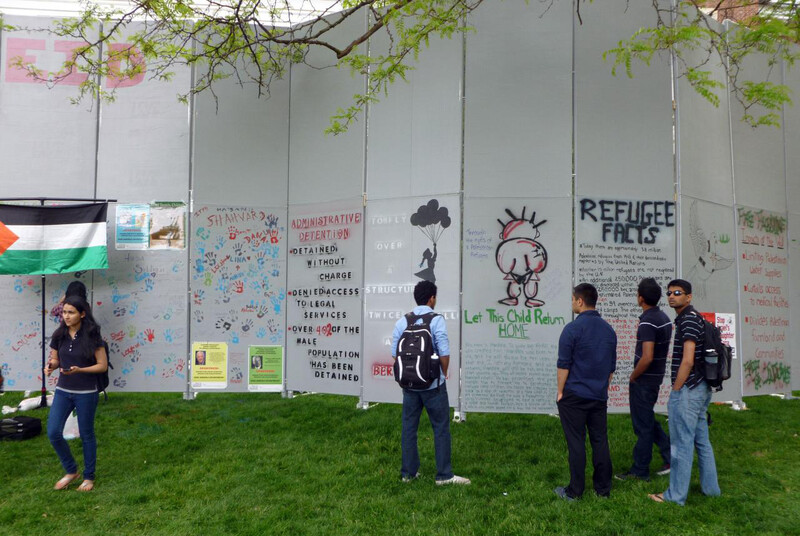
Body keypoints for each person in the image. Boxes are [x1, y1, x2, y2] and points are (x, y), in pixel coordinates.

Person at [650, 279, 720, 505]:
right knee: (702, 442)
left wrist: (676, 389)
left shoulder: (688, 320)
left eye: (677, 293)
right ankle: (711, 490)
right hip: (701, 387)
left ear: (688, 297)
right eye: (669, 293)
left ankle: (675, 496)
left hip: (689, 389)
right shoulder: (694, 317)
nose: (672, 296)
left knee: (681, 444)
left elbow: (687, 360)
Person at [392, 280, 469, 485]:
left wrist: (410, 374)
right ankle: (444, 475)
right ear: (431, 298)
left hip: (409, 386)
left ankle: (408, 473)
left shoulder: (403, 321)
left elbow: (394, 354)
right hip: (432, 385)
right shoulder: (436, 320)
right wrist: (441, 373)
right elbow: (444, 351)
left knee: (409, 427)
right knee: (440, 427)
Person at [555, 283, 617, 501]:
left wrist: (560, 392)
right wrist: (602, 388)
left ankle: (575, 491)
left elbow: (564, 365)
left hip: (574, 395)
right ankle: (603, 489)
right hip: (598, 394)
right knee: (600, 440)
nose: (572, 303)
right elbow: (611, 368)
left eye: (573, 299)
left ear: (580, 301)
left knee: (576, 442)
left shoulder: (572, 329)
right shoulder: (609, 330)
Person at [44, 296, 108, 492]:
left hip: (86, 392)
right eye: (64, 312)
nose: (66, 316)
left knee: (86, 434)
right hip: (63, 391)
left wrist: (80, 370)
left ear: (82, 314)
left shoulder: (93, 336)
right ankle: (71, 471)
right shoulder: (59, 335)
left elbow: (102, 365)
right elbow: (55, 359)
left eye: (71, 312)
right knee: (53, 432)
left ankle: (89, 477)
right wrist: (51, 367)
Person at [615, 278, 672, 482]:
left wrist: (633, 376)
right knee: (648, 419)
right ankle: (670, 454)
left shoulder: (648, 322)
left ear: (641, 298)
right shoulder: (663, 317)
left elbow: (647, 356)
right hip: (655, 378)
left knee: (643, 426)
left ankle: (640, 470)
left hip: (644, 380)